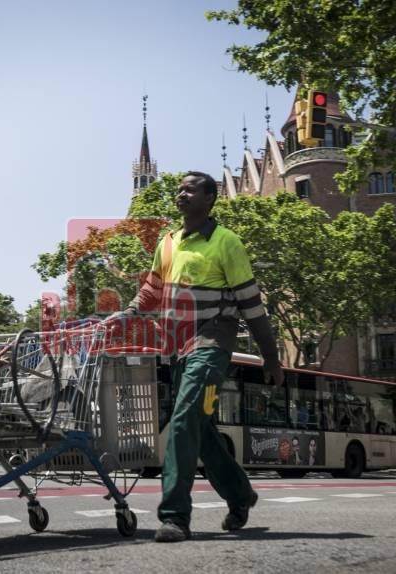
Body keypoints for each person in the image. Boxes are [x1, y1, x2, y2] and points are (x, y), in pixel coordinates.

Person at [115, 171, 283, 543]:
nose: (181, 193)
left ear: (210, 198)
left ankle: (175, 517)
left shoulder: (227, 242)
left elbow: (251, 304)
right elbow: (153, 288)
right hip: (176, 349)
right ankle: (241, 495)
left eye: (190, 189)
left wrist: (271, 357)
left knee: (183, 420)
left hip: (211, 347)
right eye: (179, 188)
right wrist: (127, 313)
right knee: (200, 429)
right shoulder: (169, 241)